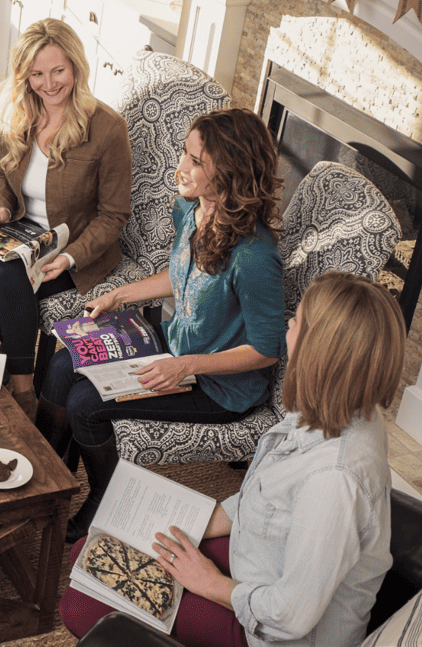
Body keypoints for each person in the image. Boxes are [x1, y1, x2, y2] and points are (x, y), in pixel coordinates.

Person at [62, 271, 405, 647]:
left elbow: (290, 616)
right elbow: (265, 495)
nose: (286, 328)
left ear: (319, 352)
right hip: (260, 565)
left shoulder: (334, 481)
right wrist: (194, 522)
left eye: (295, 322)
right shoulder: (335, 408)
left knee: (81, 603)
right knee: (93, 550)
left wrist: (207, 582)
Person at [38, 108, 285, 541]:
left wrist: (186, 365)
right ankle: (45, 477)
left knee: (84, 403)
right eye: (185, 155)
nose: (180, 169)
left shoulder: (255, 256)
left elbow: (266, 349)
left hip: (218, 389)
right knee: (62, 366)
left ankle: (103, 499)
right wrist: (119, 295)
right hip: (175, 351)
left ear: (230, 171)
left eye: (195, 161)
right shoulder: (191, 212)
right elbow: (180, 272)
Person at [0, 18, 132, 418]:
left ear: (76, 67)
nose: (49, 84)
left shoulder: (107, 128)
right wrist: (1, 207)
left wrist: (69, 257)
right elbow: (1, 173)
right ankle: (24, 368)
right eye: (37, 74)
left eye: (58, 71)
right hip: (25, 233)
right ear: (25, 77)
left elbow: (114, 215)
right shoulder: (18, 113)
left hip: (76, 247)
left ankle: (23, 387)